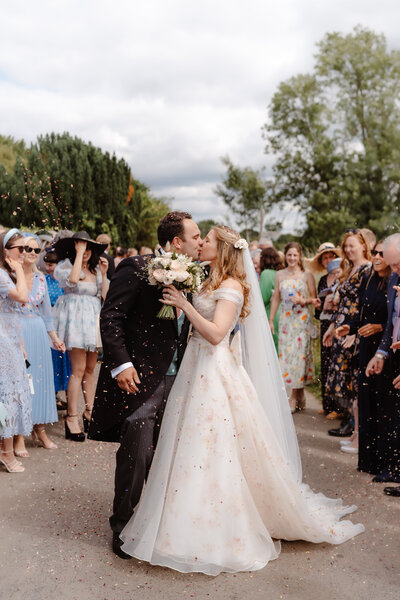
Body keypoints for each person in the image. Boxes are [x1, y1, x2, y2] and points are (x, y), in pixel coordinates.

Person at [119, 225, 364, 574]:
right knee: (185, 446)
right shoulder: (205, 279)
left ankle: (213, 530)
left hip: (214, 372)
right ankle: (179, 520)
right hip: (193, 368)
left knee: (210, 448)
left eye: (209, 241)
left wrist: (185, 305)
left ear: (223, 250)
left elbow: (217, 334)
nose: (201, 243)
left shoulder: (231, 285)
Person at [88, 212, 202, 559]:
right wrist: (121, 364)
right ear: (176, 242)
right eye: (196, 236)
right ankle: (123, 524)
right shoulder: (137, 267)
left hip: (179, 377)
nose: (201, 241)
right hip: (141, 378)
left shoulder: (196, 276)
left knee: (167, 453)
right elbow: (111, 317)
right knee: (137, 451)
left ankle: (158, 520)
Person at [336, 241, 390, 463]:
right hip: (367, 345)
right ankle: (368, 455)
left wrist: (379, 327)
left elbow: (393, 318)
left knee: (381, 401)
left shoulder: (394, 280)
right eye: (375, 252)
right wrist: (351, 327)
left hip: (384, 348)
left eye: (382, 253)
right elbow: (361, 311)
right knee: (365, 396)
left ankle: (383, 457)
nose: (376, 257)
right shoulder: (370, 278)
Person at [54, 232, 109, 441]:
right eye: (80, 247)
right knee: (77, 370)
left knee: (89, 370)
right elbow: (73, 280)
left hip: (92, 321)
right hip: (75, 322)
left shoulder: (96, 269)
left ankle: (89, 412)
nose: (85, 252)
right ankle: (72, 417)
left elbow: (104, 296)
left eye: (87, 248)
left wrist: (104, 273)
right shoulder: (67, 266)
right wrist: (77, 255)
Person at [19, 236, 65, 451]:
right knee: (21, 383)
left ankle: (40, 430)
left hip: (38, 334)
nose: (32, 252)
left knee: (38, 383)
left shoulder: (41, 280)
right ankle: (18, 433)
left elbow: (47, 314)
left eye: (36, 250)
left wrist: (55, 339)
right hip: (16, 333)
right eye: (28, 248)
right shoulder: (9, 277)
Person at [323, 231, 371, 434]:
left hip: (353, 329)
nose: (348, 250)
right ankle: (351, 422)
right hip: (341, 326)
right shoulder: (350, 269)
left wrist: (355, 332)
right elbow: (342, 302)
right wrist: (332, 328)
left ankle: (355, 427)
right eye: (346, 247)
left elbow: (362, 304)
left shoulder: (367, 270)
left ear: (363, 246)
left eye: (352, 246)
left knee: (352, 376)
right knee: (345, 374)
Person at [365, 233, 400, 492]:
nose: (394, 270)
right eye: (392, 265)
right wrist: (381, 353)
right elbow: (390, 321)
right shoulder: (394, 279)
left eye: (398, 264)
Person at [268, 242, 318, 413]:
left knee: (299, 358)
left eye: (295, 255)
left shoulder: (307, 275)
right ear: (285, 255)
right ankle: (300, 395)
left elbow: (315, 299)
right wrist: (271, 319)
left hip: (301, 321)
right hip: (286, 321)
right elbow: (276, 299)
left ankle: (293, 397)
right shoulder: (280, 275)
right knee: (288, 359)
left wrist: (303, 301)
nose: (292, 258)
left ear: (300, 256)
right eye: (289, 255)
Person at [0, 229, 32, 472]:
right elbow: (22, 297)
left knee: (10, 394)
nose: (24, 253)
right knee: (7, 396)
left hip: (10, 338)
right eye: (19, 248)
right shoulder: (1, 274)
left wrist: (20, 343)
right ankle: (6, 453)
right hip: (1, 340)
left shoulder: (6, 274)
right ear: (4, 250)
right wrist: (21, 271)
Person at [307, 242, 342, 415]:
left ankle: (338, 406)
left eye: (331, 257)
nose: (328, 260)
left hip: (338, 323)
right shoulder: (322, 280)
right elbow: (317, 309)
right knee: (326, 360)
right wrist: (320, 304)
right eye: (325, 258)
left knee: (337, 361)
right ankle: (327, 403)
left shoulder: (341, 277)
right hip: (324, 321)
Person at [43, 248, 71, 410]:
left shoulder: (63, 281)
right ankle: (52, 395)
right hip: (49, 323)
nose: (49, 268)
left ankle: (67, 394)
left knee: (65, 359)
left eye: (52, 265)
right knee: (51, 359)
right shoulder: (44, 280)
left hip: (63, 323)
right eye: (47, 265)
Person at [259, 247, 284, 352]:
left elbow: (263, 298)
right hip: (282, 312)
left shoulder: (266, 274)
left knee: (271, 348)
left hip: (270, 313)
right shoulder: (282, 272)